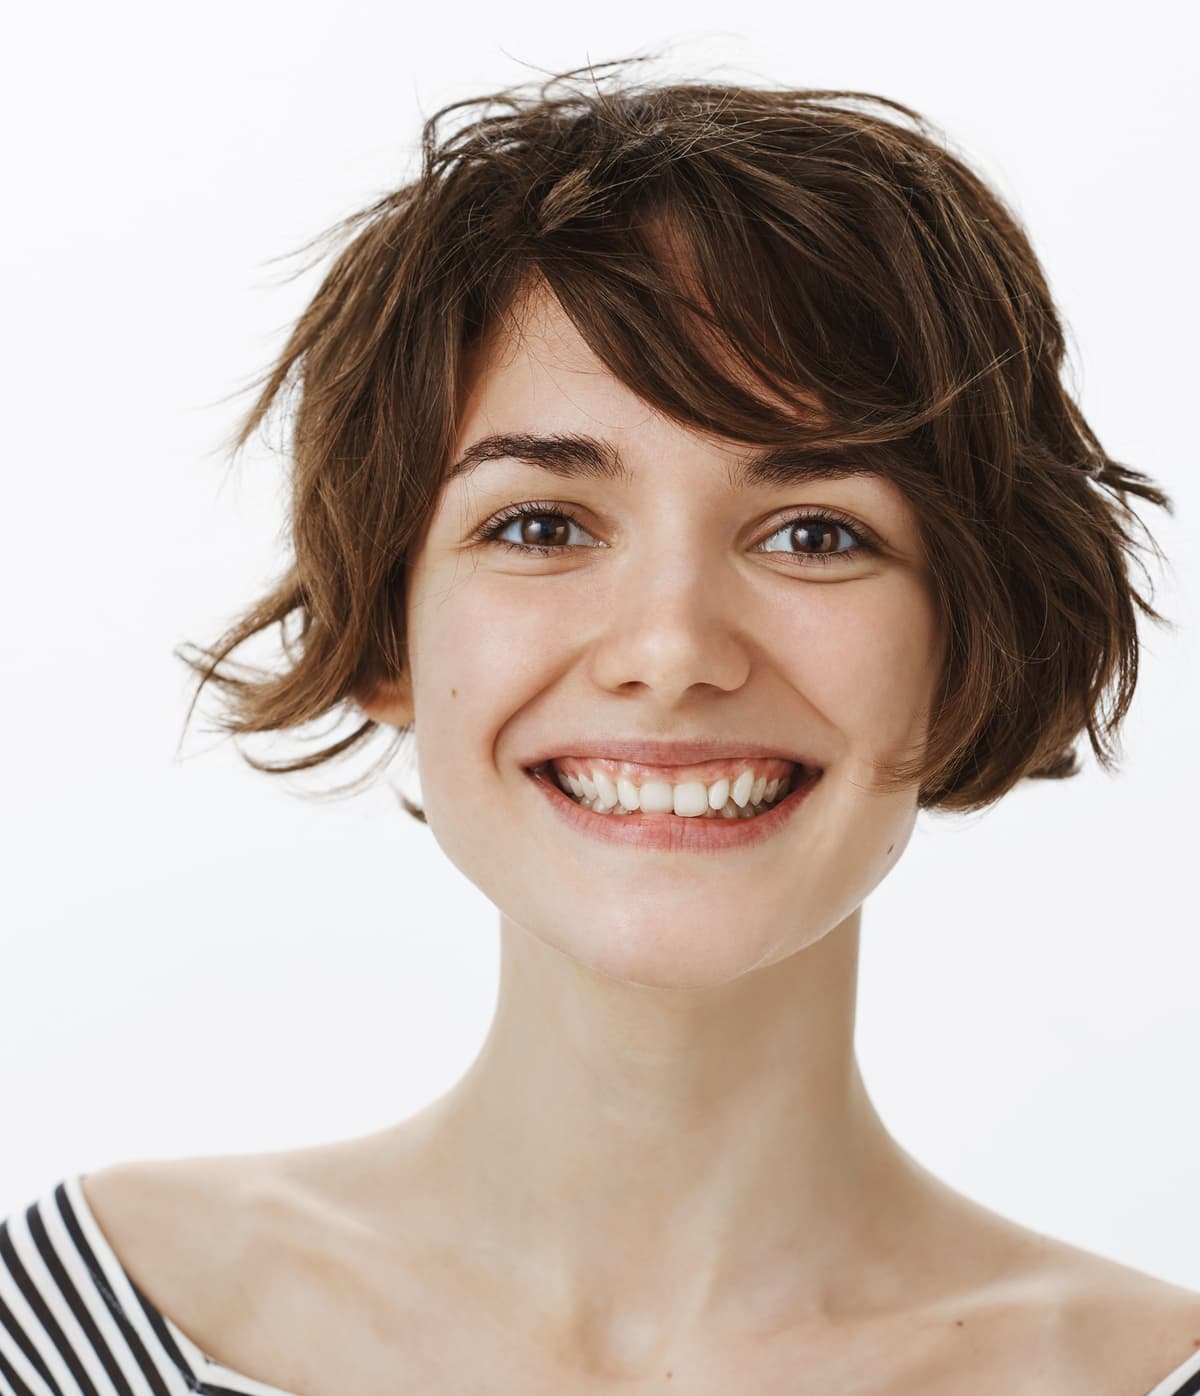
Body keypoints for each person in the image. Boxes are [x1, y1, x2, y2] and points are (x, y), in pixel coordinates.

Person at [2, 57, 1196, 1396]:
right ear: (390, 629)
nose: (672, 651)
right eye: (541, 525)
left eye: (814, 533)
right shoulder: (64, 1337)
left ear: (966, 642)